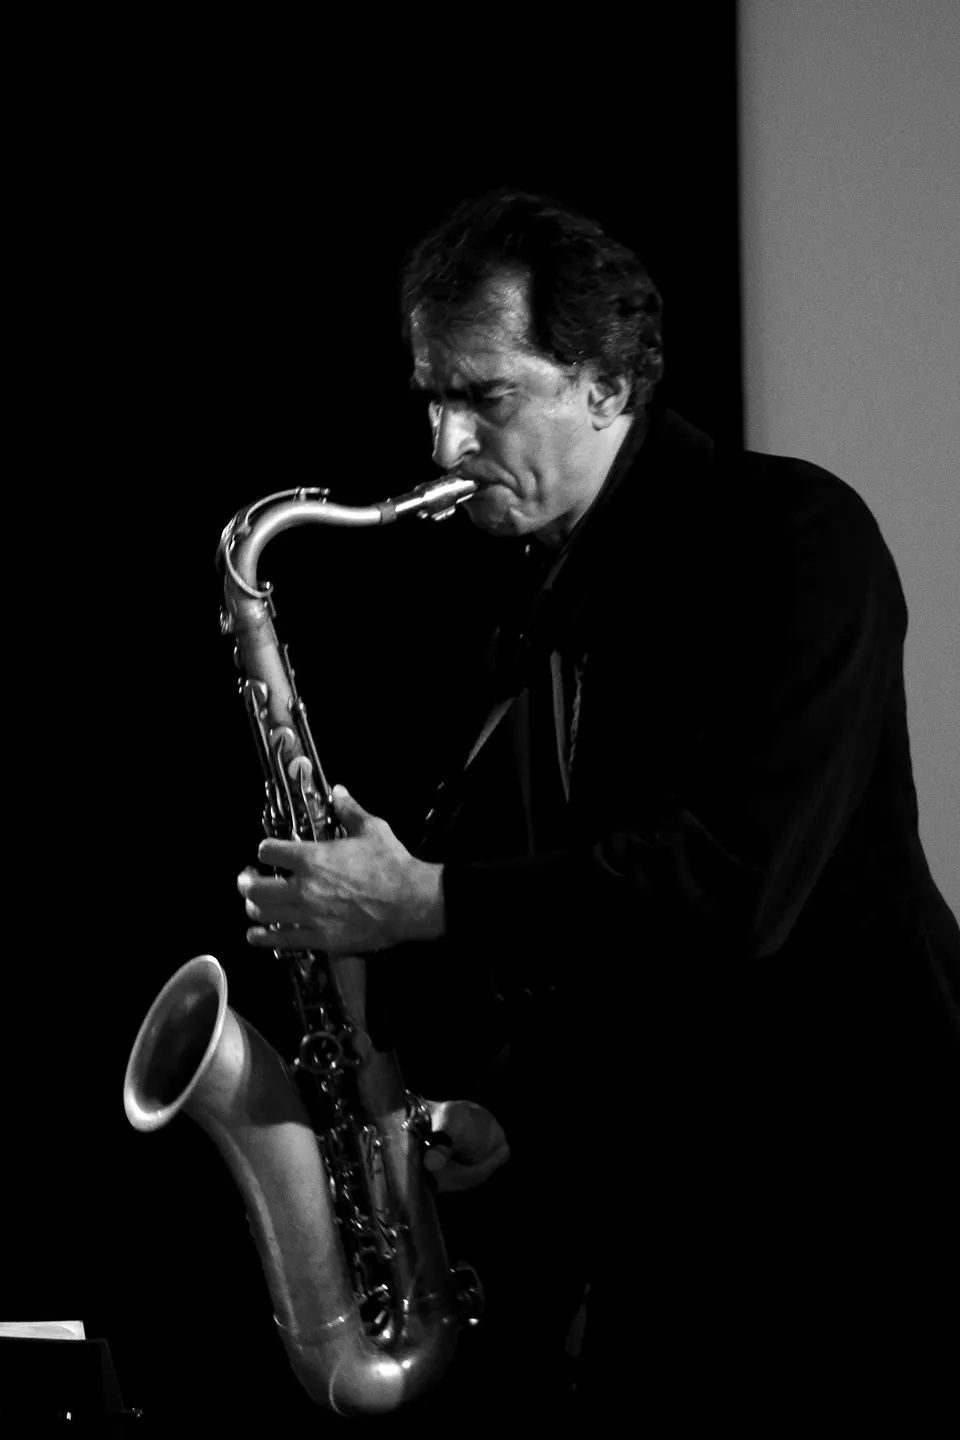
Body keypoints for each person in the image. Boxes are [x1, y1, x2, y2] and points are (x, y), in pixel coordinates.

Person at [236, 191, 960, 1426]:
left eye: (486, 397)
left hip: (855, 1209)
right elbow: (608, 958)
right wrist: (513, 1112)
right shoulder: (546, 609)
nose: (446, 443)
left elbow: (731, 889)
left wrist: (424, 901)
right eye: (432, 397)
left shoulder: (795, 536)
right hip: (679, 1222)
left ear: (608, 385)